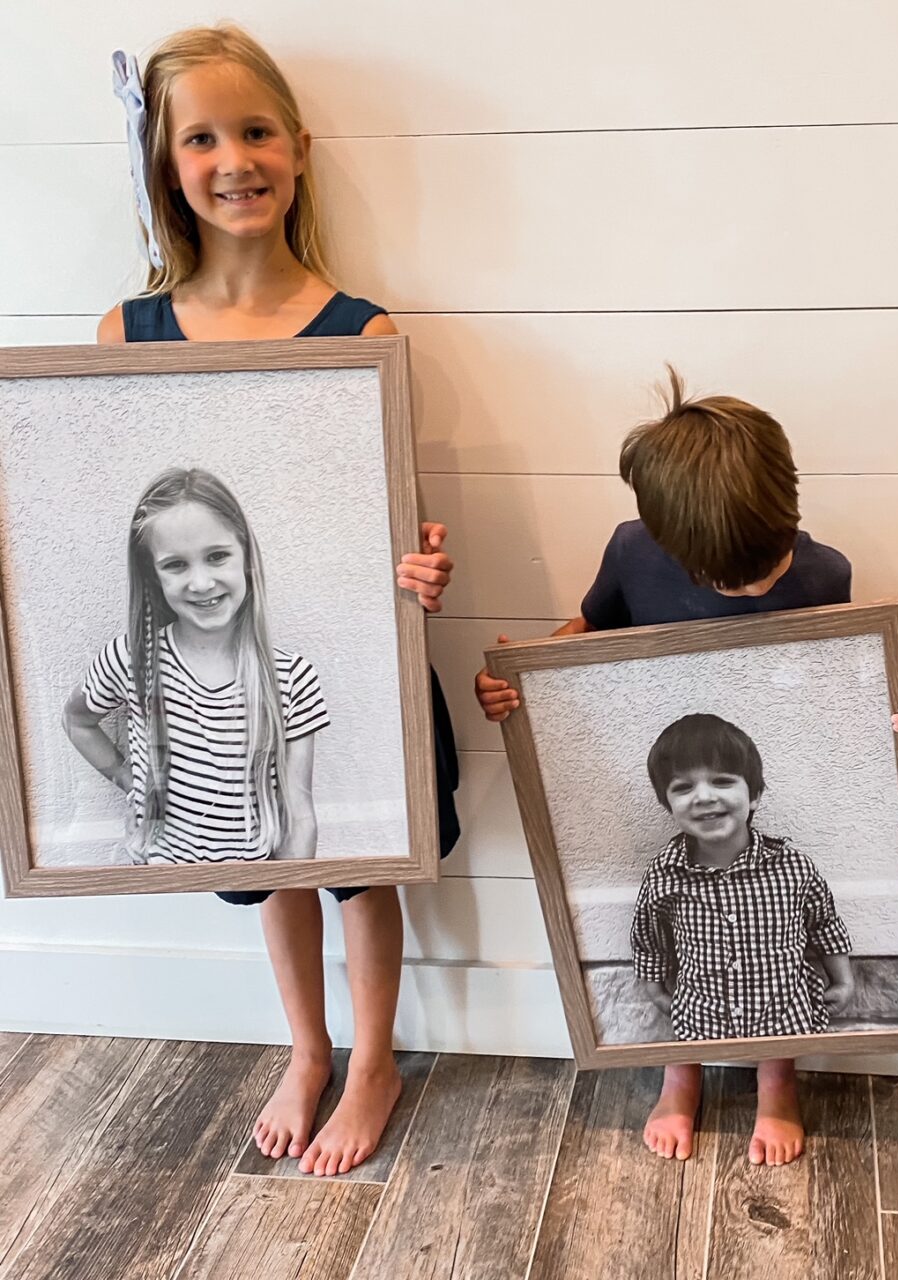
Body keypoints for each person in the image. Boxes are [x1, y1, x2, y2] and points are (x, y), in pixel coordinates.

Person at [99, 23, 458, 1177]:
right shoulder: (127, 333)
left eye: (254, 131)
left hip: (342, 657)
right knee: (266, 854)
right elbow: (113, 508)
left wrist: (418, 567)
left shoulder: (365, 331)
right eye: (200, 138)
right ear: (167, 165)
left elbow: (392, 521)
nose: (232, 158)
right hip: (209, 670)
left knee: (355, 855)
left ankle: (372, 1060)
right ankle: (306, 1047)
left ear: (297, 152)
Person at [476, 367, 898, 1166]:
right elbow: (591, 630)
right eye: (731, 579)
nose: (755, 585)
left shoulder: (825, 573)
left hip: (750, 766)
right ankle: (676, 1074)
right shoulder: (632, 551)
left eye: (768, 563)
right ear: (671, 546)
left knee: (775, 952)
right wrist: (527, 676)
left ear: (792, 509)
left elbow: (847, 689)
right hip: (674, 755)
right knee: (681, 951)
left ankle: (776, 1081)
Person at [64, 468, 325, 867]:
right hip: (161, 884)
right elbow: (77, 720)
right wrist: (125, 777)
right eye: (176, 565)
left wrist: (286, 890)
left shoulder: (292, 679)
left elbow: (301, 816)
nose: (201, 583)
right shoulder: (134, 659)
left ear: (247, 558)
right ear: (154, 575)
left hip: (253, 885)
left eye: (217, 556)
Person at [633, 714, 855, 1041]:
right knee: (680, 1071)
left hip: (783, 1020)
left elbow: (824, 924)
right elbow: (649, 938)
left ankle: (775, 1080)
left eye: (722, 781)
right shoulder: (664, 875)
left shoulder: (792, 868)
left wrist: (844, 980)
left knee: (777, 1075)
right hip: (700, 1021)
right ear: (668, 805)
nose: (704, 796)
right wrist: (655, 990)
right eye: (683, 787)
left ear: (754, 796)